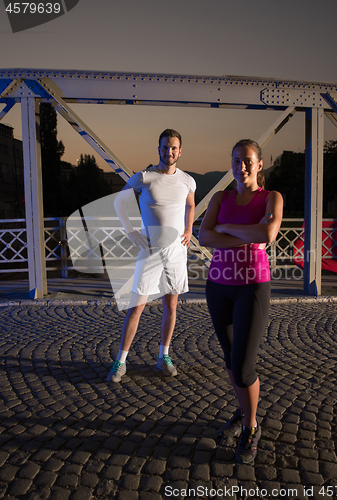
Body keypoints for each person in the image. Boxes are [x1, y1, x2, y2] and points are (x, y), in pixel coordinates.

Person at [199, 139, 283, 464]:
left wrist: (226, 228)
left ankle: (251, 426)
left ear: (259, 165)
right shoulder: (220, 197)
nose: (241, 165)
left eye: (248, 160)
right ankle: (243, 411)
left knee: (243, 367)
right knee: (230, 361)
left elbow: (268, 234)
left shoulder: (271, 198)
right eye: (236, 160)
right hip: (218, 286)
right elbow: (204, 237)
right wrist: (247, 232)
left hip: (252, 287)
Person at [107, 129, 196, 382]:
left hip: (176, 252)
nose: (169, 151)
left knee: (171, 306)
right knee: (136, 308)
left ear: (180, 151)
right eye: (165, 147)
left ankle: (163, 356)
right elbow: (119, 202)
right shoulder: (144, 177)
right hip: (150, 252)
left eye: (174, 148)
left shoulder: (188, 181)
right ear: (159, 149)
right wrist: (131, 231)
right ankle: (120, 362)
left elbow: (190, 205)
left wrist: (189, 229)